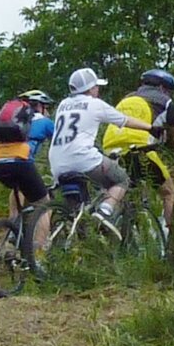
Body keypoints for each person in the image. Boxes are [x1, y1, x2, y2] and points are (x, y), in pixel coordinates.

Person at [48, 67, 153, 240]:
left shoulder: (63, 105)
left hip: (57, 163)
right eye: (96, 86)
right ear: (90, 88)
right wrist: (151, 128)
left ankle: (78, 242)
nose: (98, 89)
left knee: (78, 212)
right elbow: (124, 120)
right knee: (121, 179)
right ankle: (105, 212)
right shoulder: (95, 104)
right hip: (83, 160)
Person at [101, 68, 174, 228]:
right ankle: (172, 241)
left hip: (110, 151)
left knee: (124, 190)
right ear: (162, 88)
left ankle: (114, 228)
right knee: (169, 191)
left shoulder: (126, 99)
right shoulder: (164, 101)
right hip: (138, 150)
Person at [0, 90, 55, 220]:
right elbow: (60, 142)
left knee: (18, 188)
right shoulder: (45, 122)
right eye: (46, 107)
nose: (47, 112)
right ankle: (41, 241)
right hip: (21, 163)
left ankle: (13, 224)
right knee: (44, 205)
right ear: (40, 106)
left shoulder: (14, 121)